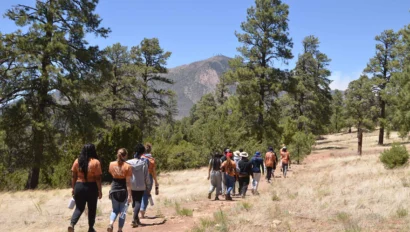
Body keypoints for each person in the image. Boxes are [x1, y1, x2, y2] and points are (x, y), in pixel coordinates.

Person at [68, 144, 102, 232]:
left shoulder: (77, 161)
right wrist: (100, 190)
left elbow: (73, 176)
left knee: (79, 208)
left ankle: (72, 223)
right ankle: (91, 228)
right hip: (91, 187)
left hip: (79, 186)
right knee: (92, 208)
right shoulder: (96, 162)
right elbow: (98, 178)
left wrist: (73, 188)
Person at [107, 148, 132, 232]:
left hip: (114, 190)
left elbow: (112, 175)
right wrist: (129, 195)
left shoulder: (111, 164)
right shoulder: (127, 166)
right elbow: (128, 182)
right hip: (123, 191)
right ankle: (120, 229)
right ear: (125, 156)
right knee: (123, 212)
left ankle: (110, 224)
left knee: (114, 210)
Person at [127, 143, 151, 228]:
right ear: (142, 153)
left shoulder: (128, 162)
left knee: (134, 201)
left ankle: (136, 219)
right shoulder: (144, 163)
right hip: (141, 185)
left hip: (131, 185)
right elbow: (146, 176)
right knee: (138, 202)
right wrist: (148, 186)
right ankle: (134, 219)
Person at [140, 143, 159, 219]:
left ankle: (138, 211)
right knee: (146, 194)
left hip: (139, 177)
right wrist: (156, 181)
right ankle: (142, 211)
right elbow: (153, 172)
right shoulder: (152, 160)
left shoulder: (140, 158)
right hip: (149, 177)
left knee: (140, 194)